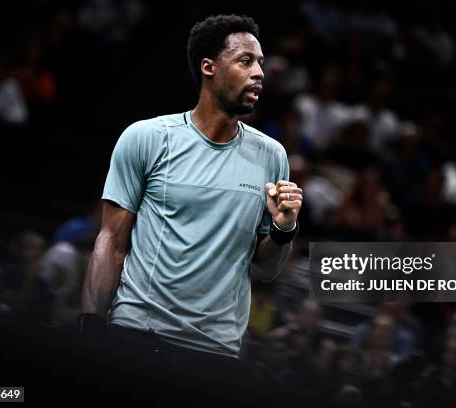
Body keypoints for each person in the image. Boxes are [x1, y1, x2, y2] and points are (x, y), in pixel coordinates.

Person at [77, 14, 303, 403]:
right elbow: (112, 240)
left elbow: (265, 270)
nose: (259, 73)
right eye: (246, 61)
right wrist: (91, 322)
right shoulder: (147, 138)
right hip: (135, 336)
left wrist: (284, 230)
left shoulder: (272, 156)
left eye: (261, 63)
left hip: (214, 355)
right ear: (209, 67)